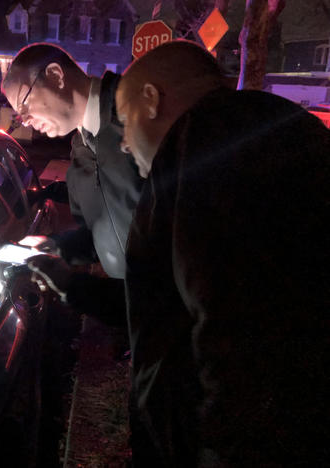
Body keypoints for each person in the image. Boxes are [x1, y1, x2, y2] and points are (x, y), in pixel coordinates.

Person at [116, 40, 330, 466]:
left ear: (151, 99)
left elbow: (234, 328)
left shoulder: (206, 144)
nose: (123, 142)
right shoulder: (280, 130)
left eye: (124, 120)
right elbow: (177, 303)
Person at [1, 43, 141, 321]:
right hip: (140, 325)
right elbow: (107, 230)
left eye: (25, 104)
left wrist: (72, 286)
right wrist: (57, 246)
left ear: (55, 75)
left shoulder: (138, 117)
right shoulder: (81, 149)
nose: (26, 121)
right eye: (19, 115)